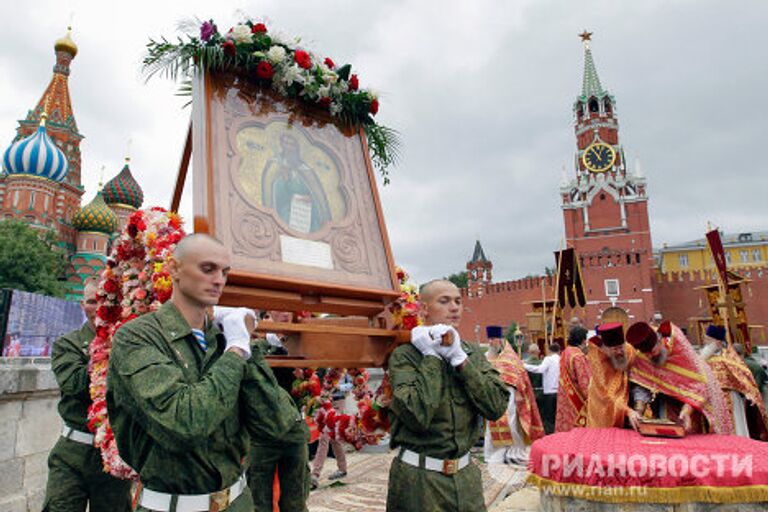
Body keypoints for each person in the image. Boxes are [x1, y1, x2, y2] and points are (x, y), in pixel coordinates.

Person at [107, 234, 259, 511]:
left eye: (225, 272)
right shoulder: (137, 337)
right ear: (174, 269)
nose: (219, 280)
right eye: (207, 269)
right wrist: (237, 352)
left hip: (237, 501)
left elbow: (278, 425)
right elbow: (186, 422)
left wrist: (250, 346)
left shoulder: (223, 337)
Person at [386, 279, 508, 512]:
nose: (454, 307)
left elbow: (496, 407)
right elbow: (417, 414)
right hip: (420, 482)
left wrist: (461, 361)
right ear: (424, 310)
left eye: (458, 301)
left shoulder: (471, 353)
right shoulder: (406, 356)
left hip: (466, 479)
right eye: (444, 301)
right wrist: (431, 357)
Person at [42, 279, 132, 512]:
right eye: (92, 301)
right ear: (83, 305)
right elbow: (74, 384)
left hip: (113, 456)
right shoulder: (67, 344)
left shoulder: (130, 344)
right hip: (72, 453)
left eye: (104, 301)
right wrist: (103, 352)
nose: (97, 307)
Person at [626, 321, 732, 434]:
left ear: (659, 342)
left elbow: (700, 382)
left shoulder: (679, 346)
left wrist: (687, 410)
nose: (650, 357)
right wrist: (639, 410)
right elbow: (642, 383)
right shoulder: (642, 357)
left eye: (653, 352)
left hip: (694, 405)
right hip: (665, 404)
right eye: (646, 355)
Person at [484, 325, 544, 466]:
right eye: (490, 339)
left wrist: (518, 392)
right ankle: (493, 456)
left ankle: (514, 454)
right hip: (491, 396)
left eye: (494, 339)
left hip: (509, 395)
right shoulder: (485, 357)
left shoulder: (510, 356)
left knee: (511, 425)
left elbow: (520, 376)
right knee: (490, 427)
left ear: (500, 340)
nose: (492, 342)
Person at [702, 327, 768, 440]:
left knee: (734, 427)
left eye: (708, 340)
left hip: (729, 398)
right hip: (711, 399)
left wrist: (748, 392)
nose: (705, 343)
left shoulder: (729, 358)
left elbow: (743, 376)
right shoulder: (704, 359)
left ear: (717, 342)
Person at [585, 322, 639, 430]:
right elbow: (607, 395)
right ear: (606, 349)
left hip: (626, 400)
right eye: (615, 349)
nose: (619, 352)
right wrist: (628, 411)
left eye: (621, 347)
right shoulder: (598, 359)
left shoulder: (628, 350)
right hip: (602, 403)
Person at [310, 372, 351, 488]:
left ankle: (315, 474)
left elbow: (352, 385)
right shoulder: (323, 365)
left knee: (327, 437)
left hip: (338, 401)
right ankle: (341, 469)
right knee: (330, 438)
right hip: (325, 402)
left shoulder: (344, 366)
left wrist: (340, 387)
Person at [555, 326, 591, 432]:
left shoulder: (565, 353)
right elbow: (585, 384)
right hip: (577, 402)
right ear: (584, 341)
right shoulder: (578, 356)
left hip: (565, 398)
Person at [524, 343, 561, 434]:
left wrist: (524, 365)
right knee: (556, 416)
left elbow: (540, 370)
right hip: (559, 391)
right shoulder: (561, 359)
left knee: (547, 417)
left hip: (546, 392)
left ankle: (549, 435)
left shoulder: (547, 359)